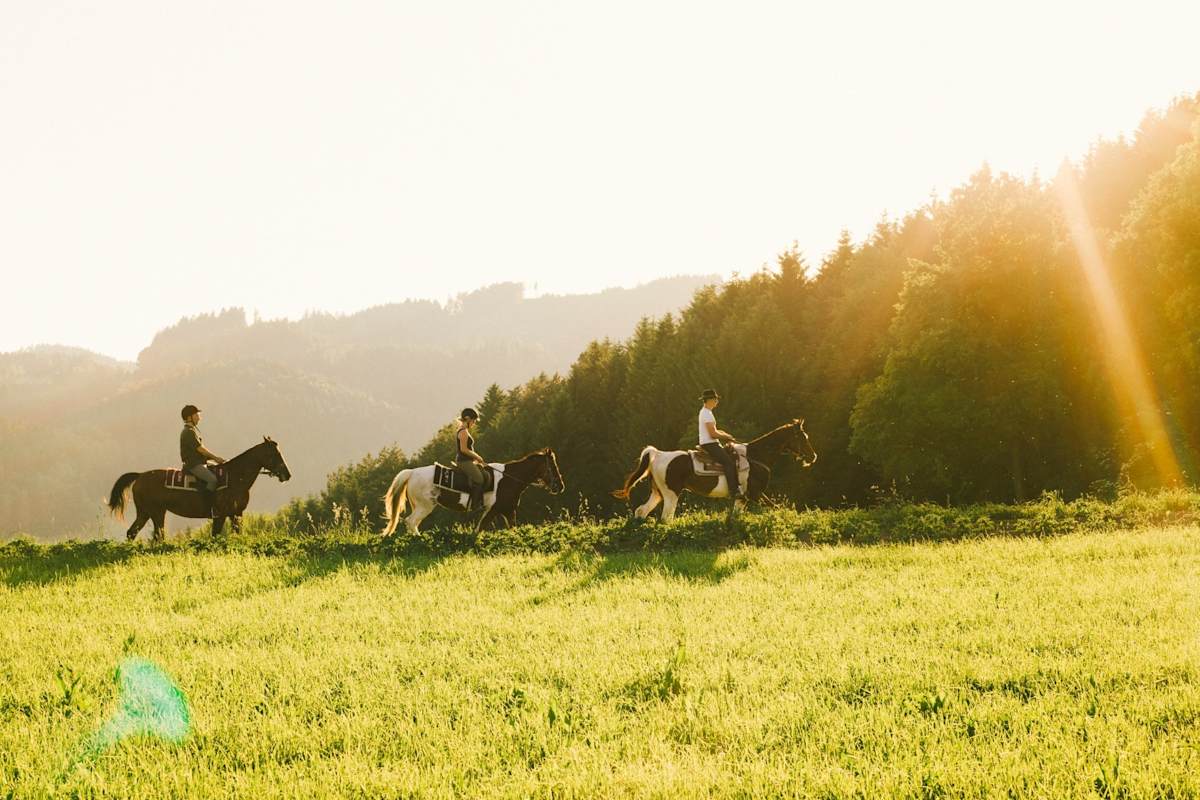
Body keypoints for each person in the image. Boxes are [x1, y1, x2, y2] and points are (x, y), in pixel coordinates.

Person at [697, 389, 743, 497]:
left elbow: (716, 430)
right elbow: (713, 433)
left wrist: (727, 435)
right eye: (715, 399)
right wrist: (726, 436)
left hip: (709, 443)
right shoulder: (707, 414)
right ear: (709, 400)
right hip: (710, 444)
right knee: (728, 463)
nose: (717, 401)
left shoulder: (706, 412)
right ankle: (733, 490)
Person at [180, 404, 226, 512]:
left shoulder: (191, 431)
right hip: (193, 465)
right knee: (213, 480)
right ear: (189, 417)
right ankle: (208, 507)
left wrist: (216, 460)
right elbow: (201, 449)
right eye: (196, 415)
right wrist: (216, 458)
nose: (198, 417)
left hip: (199, 462)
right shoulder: (188, 432)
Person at [455, 407, 488, 510]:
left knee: (485, 474)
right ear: (467, 418)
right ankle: (474, 505)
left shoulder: (464, 430)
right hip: (463, 461)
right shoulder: (463, 431)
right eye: (473, 420)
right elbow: (464, 449)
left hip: (468, 460)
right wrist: (478, 457)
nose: (474, 423)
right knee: (479, 479)